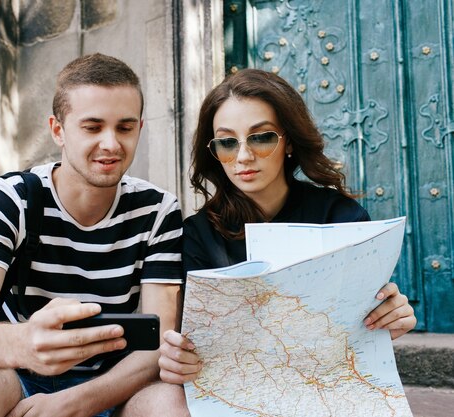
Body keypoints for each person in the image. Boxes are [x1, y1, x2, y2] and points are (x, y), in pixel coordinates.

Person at [0, 53, 184, 417]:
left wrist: (72, 403)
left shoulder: (158, 210)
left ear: (140, 128)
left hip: (113, 384)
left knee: (169, 402)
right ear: (58, 129)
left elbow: (158, 343)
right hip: (18, 377)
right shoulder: (12, 197)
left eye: (125, 128)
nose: (111, 144)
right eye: (92, 127)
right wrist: (25, 342)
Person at [156, 68, 417, 409]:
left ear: (289, 141)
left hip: (330, 392)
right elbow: (194, 340)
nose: (243, 157)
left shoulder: (340, 219)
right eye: (227, 142)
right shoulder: (197, 233)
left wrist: (389, 315)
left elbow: (361, 324)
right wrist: (176, 355)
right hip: (238, 398)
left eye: (261, 138)